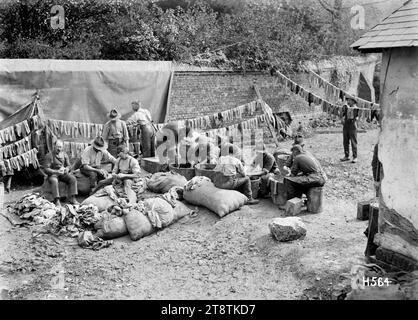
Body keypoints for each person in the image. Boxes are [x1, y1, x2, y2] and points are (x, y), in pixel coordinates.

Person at [41, 139, 79, 206]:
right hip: (53, 174)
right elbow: (46, 169)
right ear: (54, 146)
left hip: (62, 174)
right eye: (58, 147)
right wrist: (56, 172)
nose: (59, 149)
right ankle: (57, 200)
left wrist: (67, 169)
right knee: (54, 181)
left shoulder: (64, 154)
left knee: (72, 178)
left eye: (60, 147)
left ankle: (72, 198)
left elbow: (69, 165)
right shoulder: (49, 155)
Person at [340, 94, 359, 163]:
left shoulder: (356, 108)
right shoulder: (346, 107)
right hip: (346, 125)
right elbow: (342, 114)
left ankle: (355, 157)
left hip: (352, 126)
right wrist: (342, 118)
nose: (348, 101)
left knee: (353, 141)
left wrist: (356, 118)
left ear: (353, 101)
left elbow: (358, 117)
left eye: (350, 100)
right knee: (345, 141)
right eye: (347, 100)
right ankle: (346, 155)